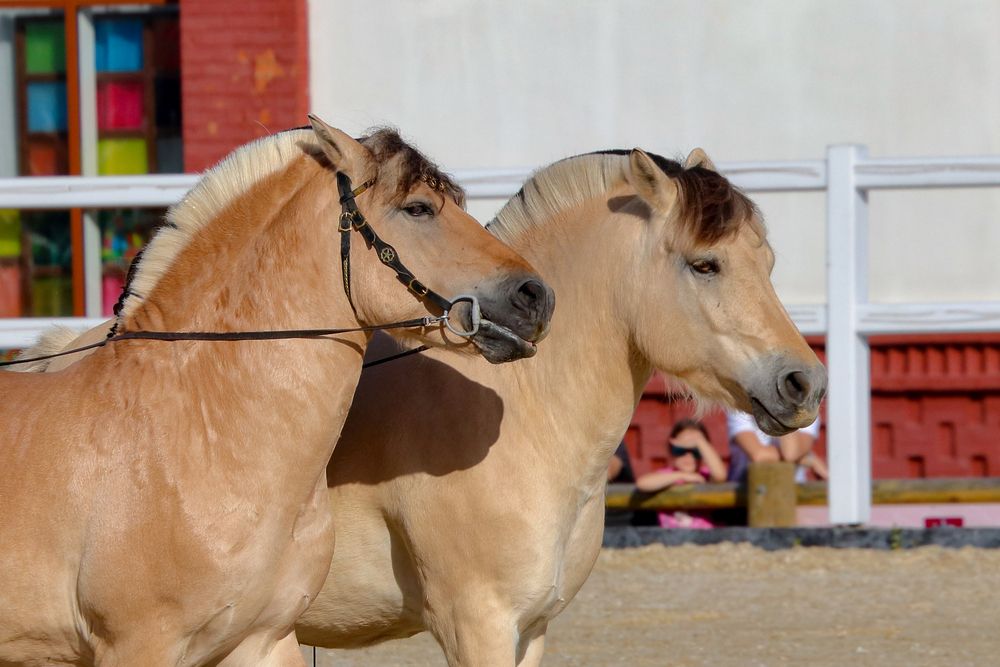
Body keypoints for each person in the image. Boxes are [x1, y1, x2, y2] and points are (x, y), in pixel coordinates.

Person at [635, 419, 727, 529]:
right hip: (672, 540)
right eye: (680, 450)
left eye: (695, 451)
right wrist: (681, 475)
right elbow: (642, 484)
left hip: (705, 539)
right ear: (671, 450)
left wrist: (700, 442)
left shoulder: (704, 476)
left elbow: (720, 475)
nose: (688, 456)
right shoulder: (667, 475)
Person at [725, 409, 827, 484]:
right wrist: (808, 459)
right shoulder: (739, 408)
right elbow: (759, 456)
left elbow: (790, 454)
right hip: (745, 497)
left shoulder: (808, 411)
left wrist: (783, 408)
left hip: (793, 496)